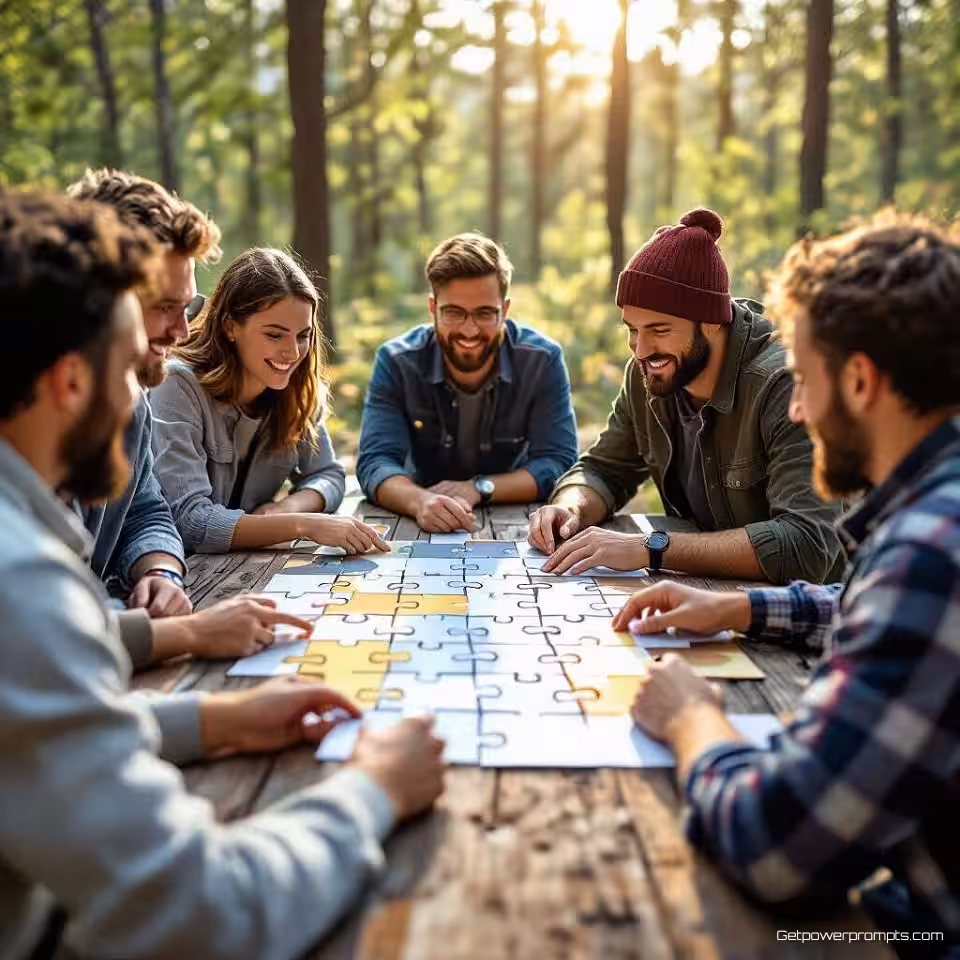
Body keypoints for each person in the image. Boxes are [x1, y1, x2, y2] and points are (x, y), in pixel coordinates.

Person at [0, 191, 445, 960]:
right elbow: (204, 914)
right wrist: (371, 789)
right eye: (131, 360)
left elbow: (27, 732)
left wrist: (212, 721)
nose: (145, 386)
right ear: (71, 380)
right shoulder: (22, 578)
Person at [616, 213, 960, 951]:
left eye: (804, 380)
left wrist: (692, 721)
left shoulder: (933, 551)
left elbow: (774, 844)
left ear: (861, 381)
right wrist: (743, 606)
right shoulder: (935, 527)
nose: (797, 407)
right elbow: (884, 612)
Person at [68, 168, 307, 669]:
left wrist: (160, 571)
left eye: (189, 305)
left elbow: (146, 511)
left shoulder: (132, 398)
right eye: (165, 307)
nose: (183, 329)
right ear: (97, 300)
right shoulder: (33, 426)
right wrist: (189, 633)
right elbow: (49, 635)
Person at [528, 208, 844, 585]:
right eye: (632, 330)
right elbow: (604, 469)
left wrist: (651, 548)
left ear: (712, 320)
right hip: (709, 596)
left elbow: (807, 546)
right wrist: (569, 507)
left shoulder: (787, 384)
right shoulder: (651, 372)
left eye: (659, 330)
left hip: (817, 616)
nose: (641, 349)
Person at [150, 247, 387, 554]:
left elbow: (327, 474)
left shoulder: (297, 388)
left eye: (303, 335)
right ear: (230, 327)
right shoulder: (177, 385)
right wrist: (304, 524)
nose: (292, 353)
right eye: (275, 335)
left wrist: (286, 509)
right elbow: (191, 520)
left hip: (243, 571)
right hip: (177, 574)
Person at [356, 232, 578, 533]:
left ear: (505, 310)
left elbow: (558, 461)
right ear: (433, 309)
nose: (469, 330)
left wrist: (480, 487)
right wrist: (418, 501)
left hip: (516, 522)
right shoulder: (397, 362)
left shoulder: (542, 360)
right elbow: (376, 461)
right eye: (454, 313)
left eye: (485, 313)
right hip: (418, 520)